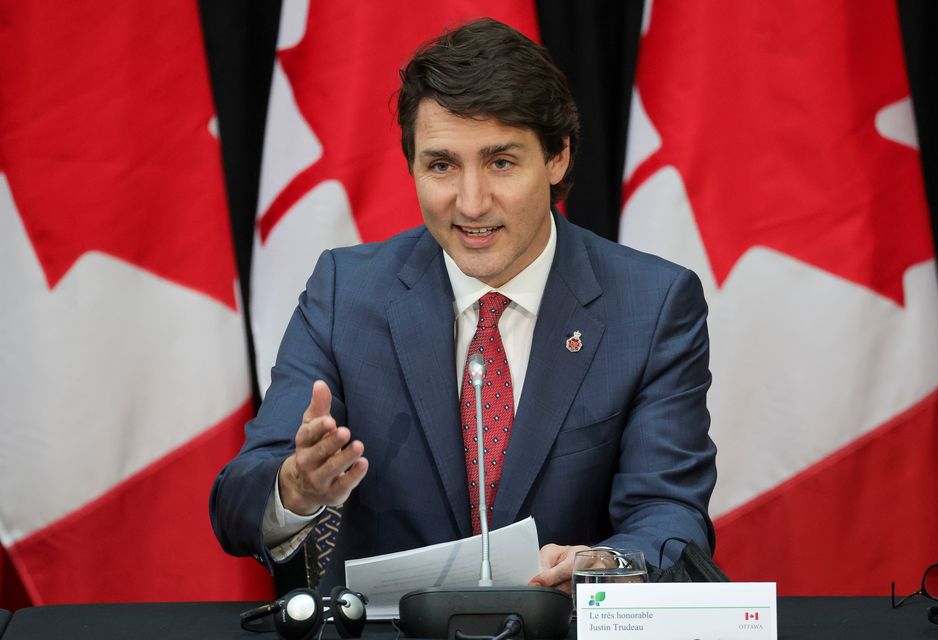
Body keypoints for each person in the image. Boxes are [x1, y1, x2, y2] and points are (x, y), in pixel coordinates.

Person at [210, 17, 716, 595]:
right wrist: (294, 489)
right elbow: (236, 501)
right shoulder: (344, 293)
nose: (471, 203)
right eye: (442, 165)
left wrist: (609, 565)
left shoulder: (651, 306)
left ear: (557, 159)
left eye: (501, 162)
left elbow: (673, 518)